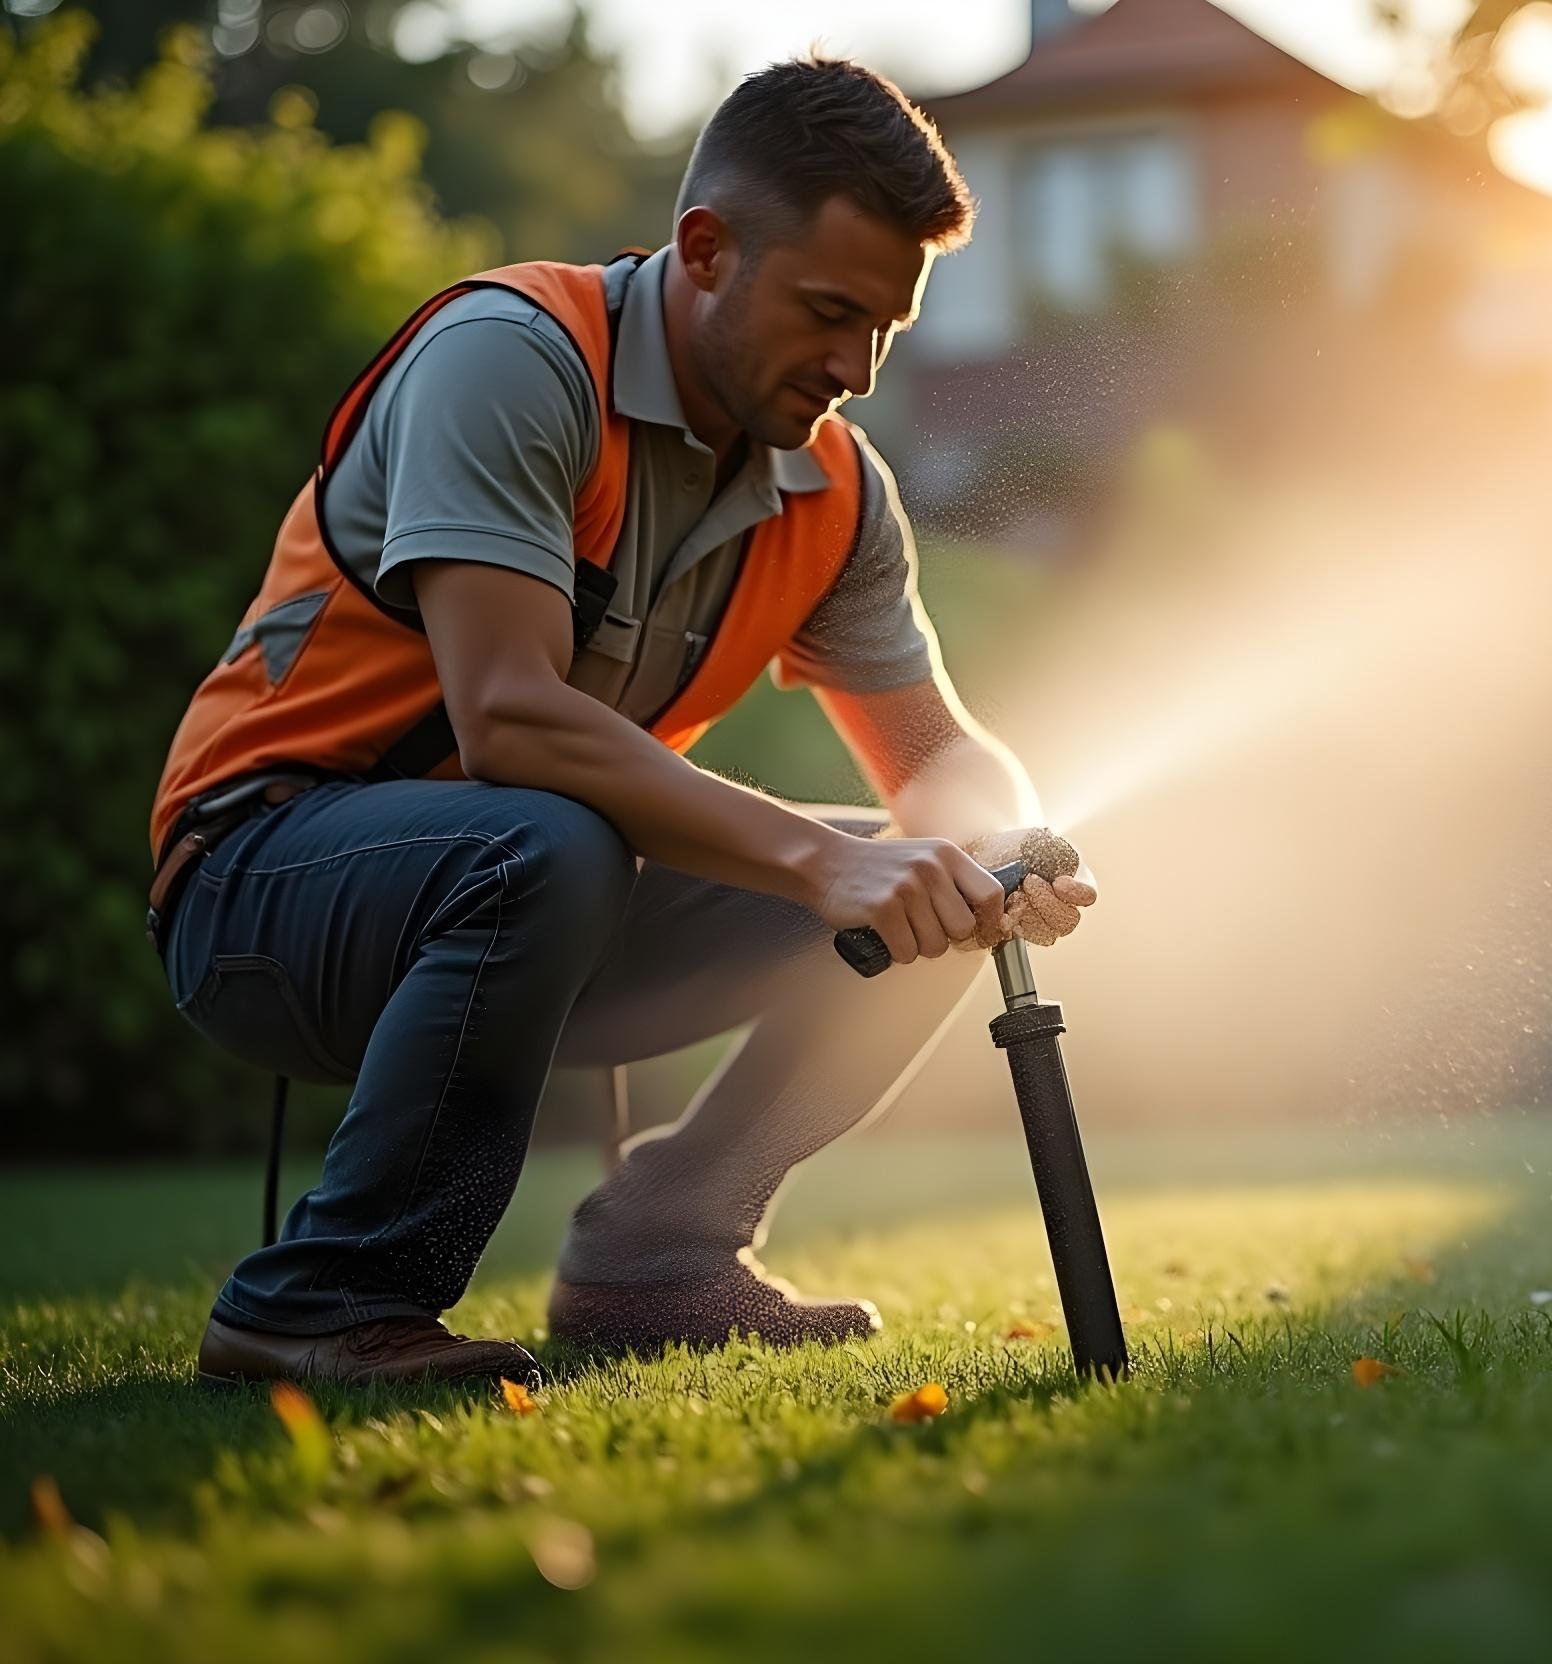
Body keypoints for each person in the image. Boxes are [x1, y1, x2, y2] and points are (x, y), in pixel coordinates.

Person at [145, 57, 1093, 1389]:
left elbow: (935, 752)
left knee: (933, 889)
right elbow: (510, 722)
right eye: (829, 312)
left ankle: (659, 1259)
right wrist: (830, 863)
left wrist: (999, 857)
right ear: (704, 249)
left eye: (884, 327)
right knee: (559, 839)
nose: (857, 368)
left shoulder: (833, 486)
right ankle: (322, 1300)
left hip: (532, 896)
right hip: (261, 887)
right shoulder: (512, 360)